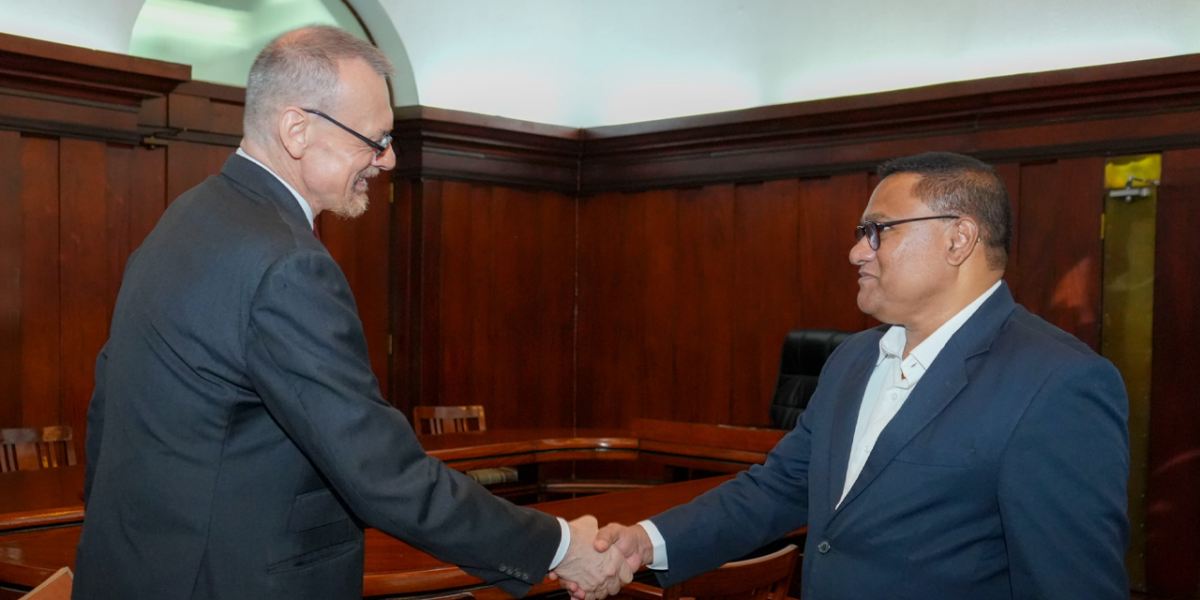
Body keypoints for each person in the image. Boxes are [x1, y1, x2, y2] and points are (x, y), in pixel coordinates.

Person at [73, 26, 627, 600]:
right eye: (375, 139)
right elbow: (383, 473)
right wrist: (559, 545)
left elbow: (108, 411)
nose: (388, 160)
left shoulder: (185, 219)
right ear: (296, 130)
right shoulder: (286, 262)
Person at [586, 152, 1130, 599]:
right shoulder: (852, 359)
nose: (855, 253)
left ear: (958, 239)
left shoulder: (1058, 383)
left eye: (877, 231)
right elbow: (781, 487)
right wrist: (645, 542)